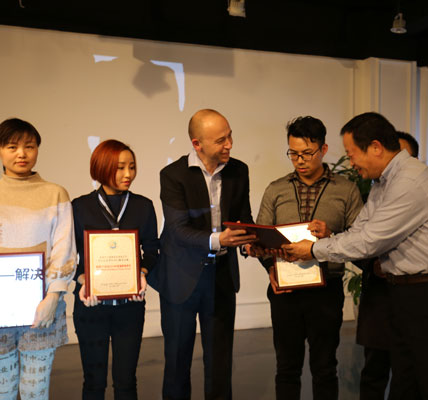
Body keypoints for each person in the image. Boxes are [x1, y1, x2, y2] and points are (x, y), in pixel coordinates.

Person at [282, 112, 428, 400]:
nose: (351, 162)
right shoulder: (383, 183)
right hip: (406, 295)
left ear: (375, 147)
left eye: (351, 154)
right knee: (405, 385)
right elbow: (361, 230)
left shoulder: (410, 181)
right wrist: (328, 239)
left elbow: (370, 241)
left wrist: (312, 249)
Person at [0, 118, 76, 399]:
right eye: (12, 147)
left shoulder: (55, 194)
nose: (22, 154)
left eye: (29, 146)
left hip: (42, 310)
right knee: (1, 392)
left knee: (35, 391)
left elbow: (64, 249)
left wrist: (53, 297)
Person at [248, 116, 363, 399]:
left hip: (326, 290)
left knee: (325, 367)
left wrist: (330, 234)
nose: (299, 160)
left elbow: (360, 239)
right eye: (293, 153)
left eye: (307, 153)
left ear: (323, 149)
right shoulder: (276, 189)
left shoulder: (346, 189)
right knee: (287, 368)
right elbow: (262, 236)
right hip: (285, 290)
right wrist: (268, 265)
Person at [150, 109, 256, 400]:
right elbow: (177, 229)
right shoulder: (173, 175)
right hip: (180, 277)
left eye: (230, 136)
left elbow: (243, 217)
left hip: (221, 277)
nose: (229, 144)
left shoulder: (239, 170)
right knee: (177, 361)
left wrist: (249, 242)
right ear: (197, 144)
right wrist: (219, 239)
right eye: (221, 140)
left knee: (220, 363)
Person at [72, 139, 159, 399]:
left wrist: (142, 274)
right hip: (91, 306)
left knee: (126, 381)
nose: (128, 174)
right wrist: (83, 279)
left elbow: (152, 250)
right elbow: (70, 255)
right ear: (101, 167)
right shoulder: (80, 207)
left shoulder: (143, 206)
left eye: (132, 167)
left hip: (130, 307)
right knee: (93, 382)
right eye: (120, 168)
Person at [357, 131, 418, 399]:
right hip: (380, 298)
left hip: (415, 297)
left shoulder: (423, 193)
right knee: (374, 372)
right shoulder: (374, 194)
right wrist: (372, 265)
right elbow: (357, 240)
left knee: (409, 376)